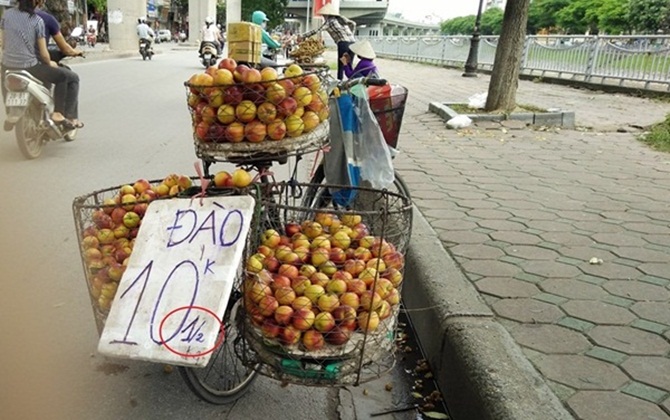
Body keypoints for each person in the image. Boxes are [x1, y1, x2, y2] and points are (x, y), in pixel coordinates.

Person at [0, 0, 83, 131]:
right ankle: (58, 113)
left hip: (7, 66)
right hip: (30, 66)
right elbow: (44, 55)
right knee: (63, 77)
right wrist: (49, 62)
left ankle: (10, 111)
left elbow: (3, 43)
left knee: (6, 79)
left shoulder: (7, 15)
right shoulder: (38, 21)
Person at [298, 4, 356, 80]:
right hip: (352, 43)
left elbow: (317, 30)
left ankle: (339, 83)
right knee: (349, 64)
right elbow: (353, 24)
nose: (323, 17)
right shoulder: (341, 19)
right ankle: (351, 82)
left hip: (343, 44)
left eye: (324, 15)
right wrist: (351, 34)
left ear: (327, 14)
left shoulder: (330, 21)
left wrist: (303, 36)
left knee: (341, 65)